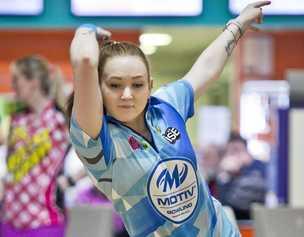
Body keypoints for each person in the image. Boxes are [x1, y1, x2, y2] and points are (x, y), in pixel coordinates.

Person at [67, 1, 271, 236]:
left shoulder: (165, 105)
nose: (127, 94)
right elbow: (84, 60)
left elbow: (205, 68)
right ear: (98, 90)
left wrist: (238, 24)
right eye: (114, 85)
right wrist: (87, 30)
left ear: (150, 86)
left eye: (137, 84)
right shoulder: (96, 141)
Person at [0, 56, 69, 237]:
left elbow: (93, 151)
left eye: (16, 79)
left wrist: (70, 180)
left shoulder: (59, 121)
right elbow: (10, 169)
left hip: (43, 221)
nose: (12, 85)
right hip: (9, 220)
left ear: (34, 82)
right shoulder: (17, 120)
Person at [216, 132, 267, 220]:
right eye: (230, 151)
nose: (234, 155)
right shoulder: (225, 173)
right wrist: (226, 176)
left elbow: (240, 202)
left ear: (246, 151)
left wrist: (243, 170)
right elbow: (223, 203)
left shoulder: (259, 167)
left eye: (237, 150)